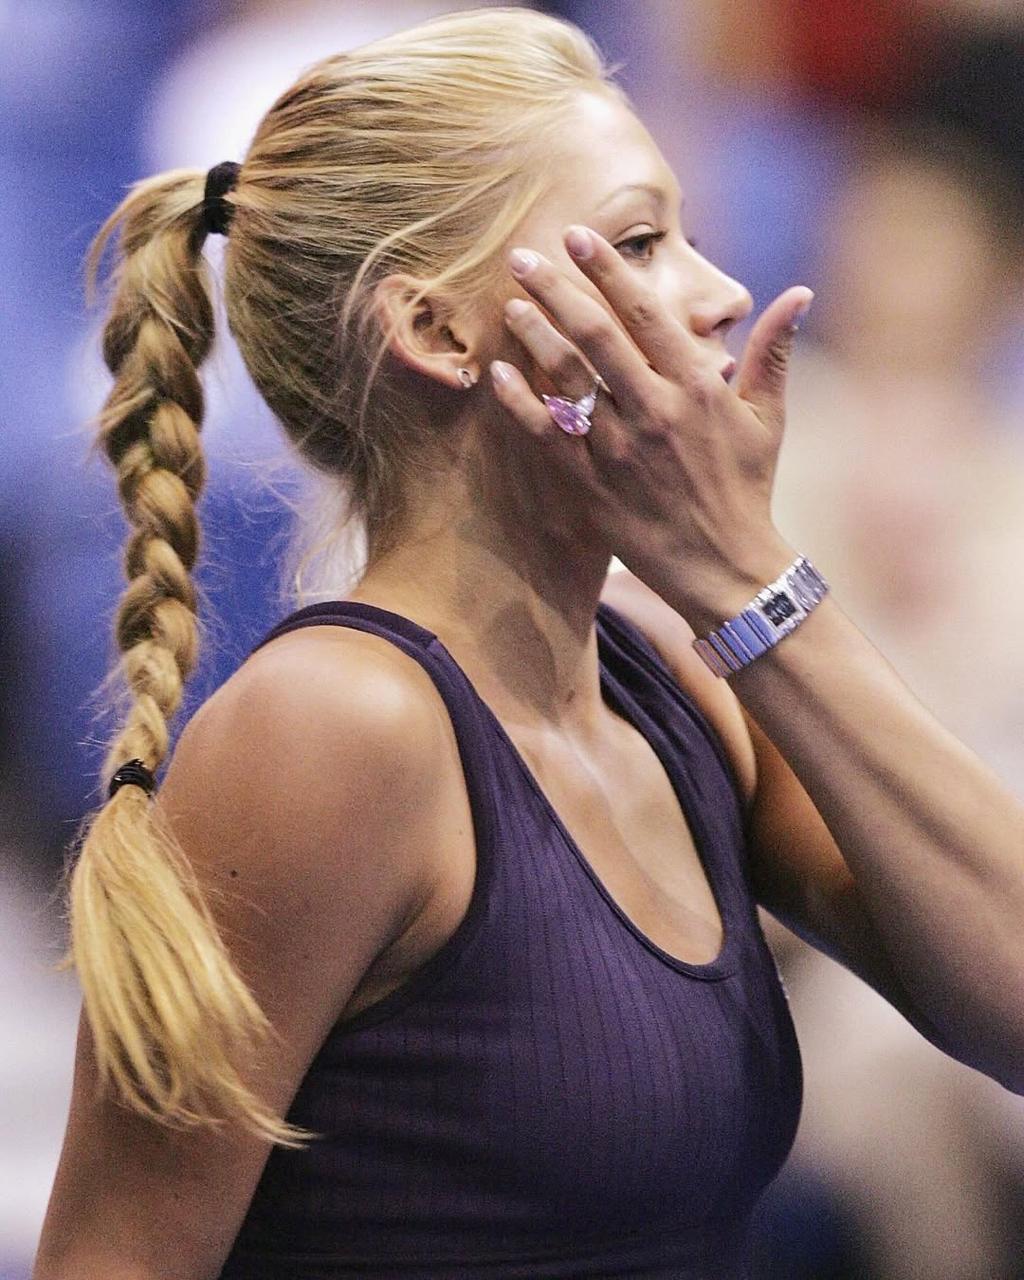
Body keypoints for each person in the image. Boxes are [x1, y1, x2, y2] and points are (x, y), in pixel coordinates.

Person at [33, 8, 1024, 1280]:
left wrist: (747, 583)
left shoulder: (676, 685)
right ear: (441, 333)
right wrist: (733, 574)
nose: (721, 294)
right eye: (641, 242)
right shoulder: (332, 729)